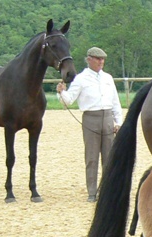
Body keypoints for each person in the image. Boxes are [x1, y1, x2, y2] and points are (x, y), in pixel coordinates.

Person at [57, 47, 122, 202]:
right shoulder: (80, 79)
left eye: (102, 59)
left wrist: (118, 121)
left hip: (107, 118)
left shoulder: (108, 78)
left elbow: (115, 102)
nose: (101, 62)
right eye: (97, 59)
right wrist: (61, 93)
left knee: (109, 157)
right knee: (91, 158)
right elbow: (69, 99)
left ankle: (107, 191)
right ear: (89, 59)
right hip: (90, 118)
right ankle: (92, 192)